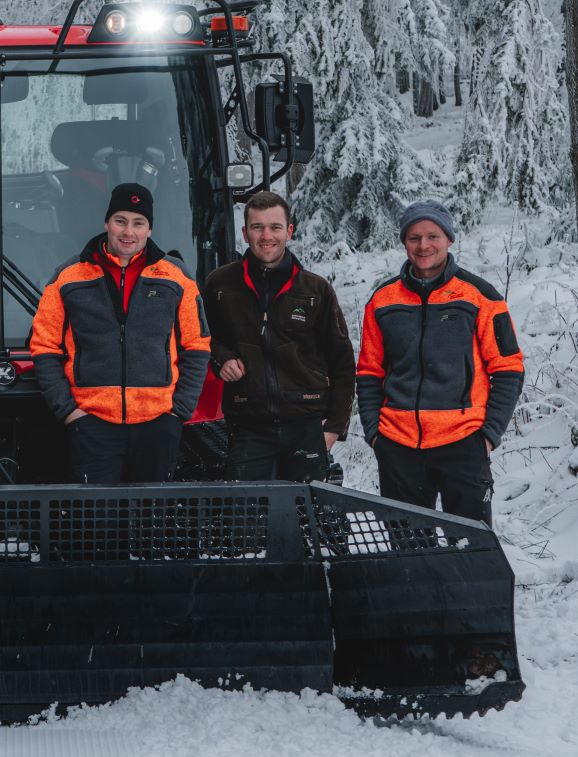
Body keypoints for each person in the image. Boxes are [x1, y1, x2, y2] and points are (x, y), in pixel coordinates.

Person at [356, 200, 524, 525]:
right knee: (408, 550)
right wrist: (375, 434)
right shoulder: (382, 300)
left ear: (449, 239)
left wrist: (488, 435)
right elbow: (368, 372)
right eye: (414, 237)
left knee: (470, 548)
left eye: (432, 236)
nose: (424, 246)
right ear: (404, 242)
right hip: (398, 446)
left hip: (463, 445)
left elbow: (508, 369)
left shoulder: (481, 296)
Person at [30, 182, 210, 483]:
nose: (129, 232)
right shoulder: (69, 276)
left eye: (139, 223)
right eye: (121, 221)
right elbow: (44, 346)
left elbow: (196, 345)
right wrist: (69, 411)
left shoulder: (176, 277)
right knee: (98, 522)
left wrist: (178, 412)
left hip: (158, 422)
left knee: (152, 521)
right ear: (107, 223)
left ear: (149, 229)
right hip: (92, 423)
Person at [203, 190, 355, 481]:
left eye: (274, 227)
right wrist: (222, 359)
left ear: (289, 231)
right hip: (248, 427)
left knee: (306, 518)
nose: (266, 235)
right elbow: (207, 340)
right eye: (257, 227)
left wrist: (333, 429)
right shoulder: (220, 285)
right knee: (246, 516)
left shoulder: (315, 290)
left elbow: (343, 363)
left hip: (307, 423)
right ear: (245, 233)